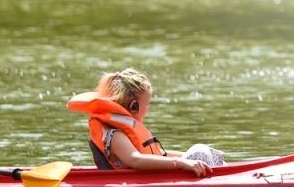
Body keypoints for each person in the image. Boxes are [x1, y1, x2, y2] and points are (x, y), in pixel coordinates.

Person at [66, 68, 223, 174]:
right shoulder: (115, 135)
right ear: (134, 106)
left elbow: (161, 155)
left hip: (148, 177)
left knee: (200, 152)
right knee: (199, 151)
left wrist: (186, 158)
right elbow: (136, 160)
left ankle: (222, 170)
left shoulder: (124, 130)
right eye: (147, 104)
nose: (148, 109)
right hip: (133, 183)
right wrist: (180, 163)